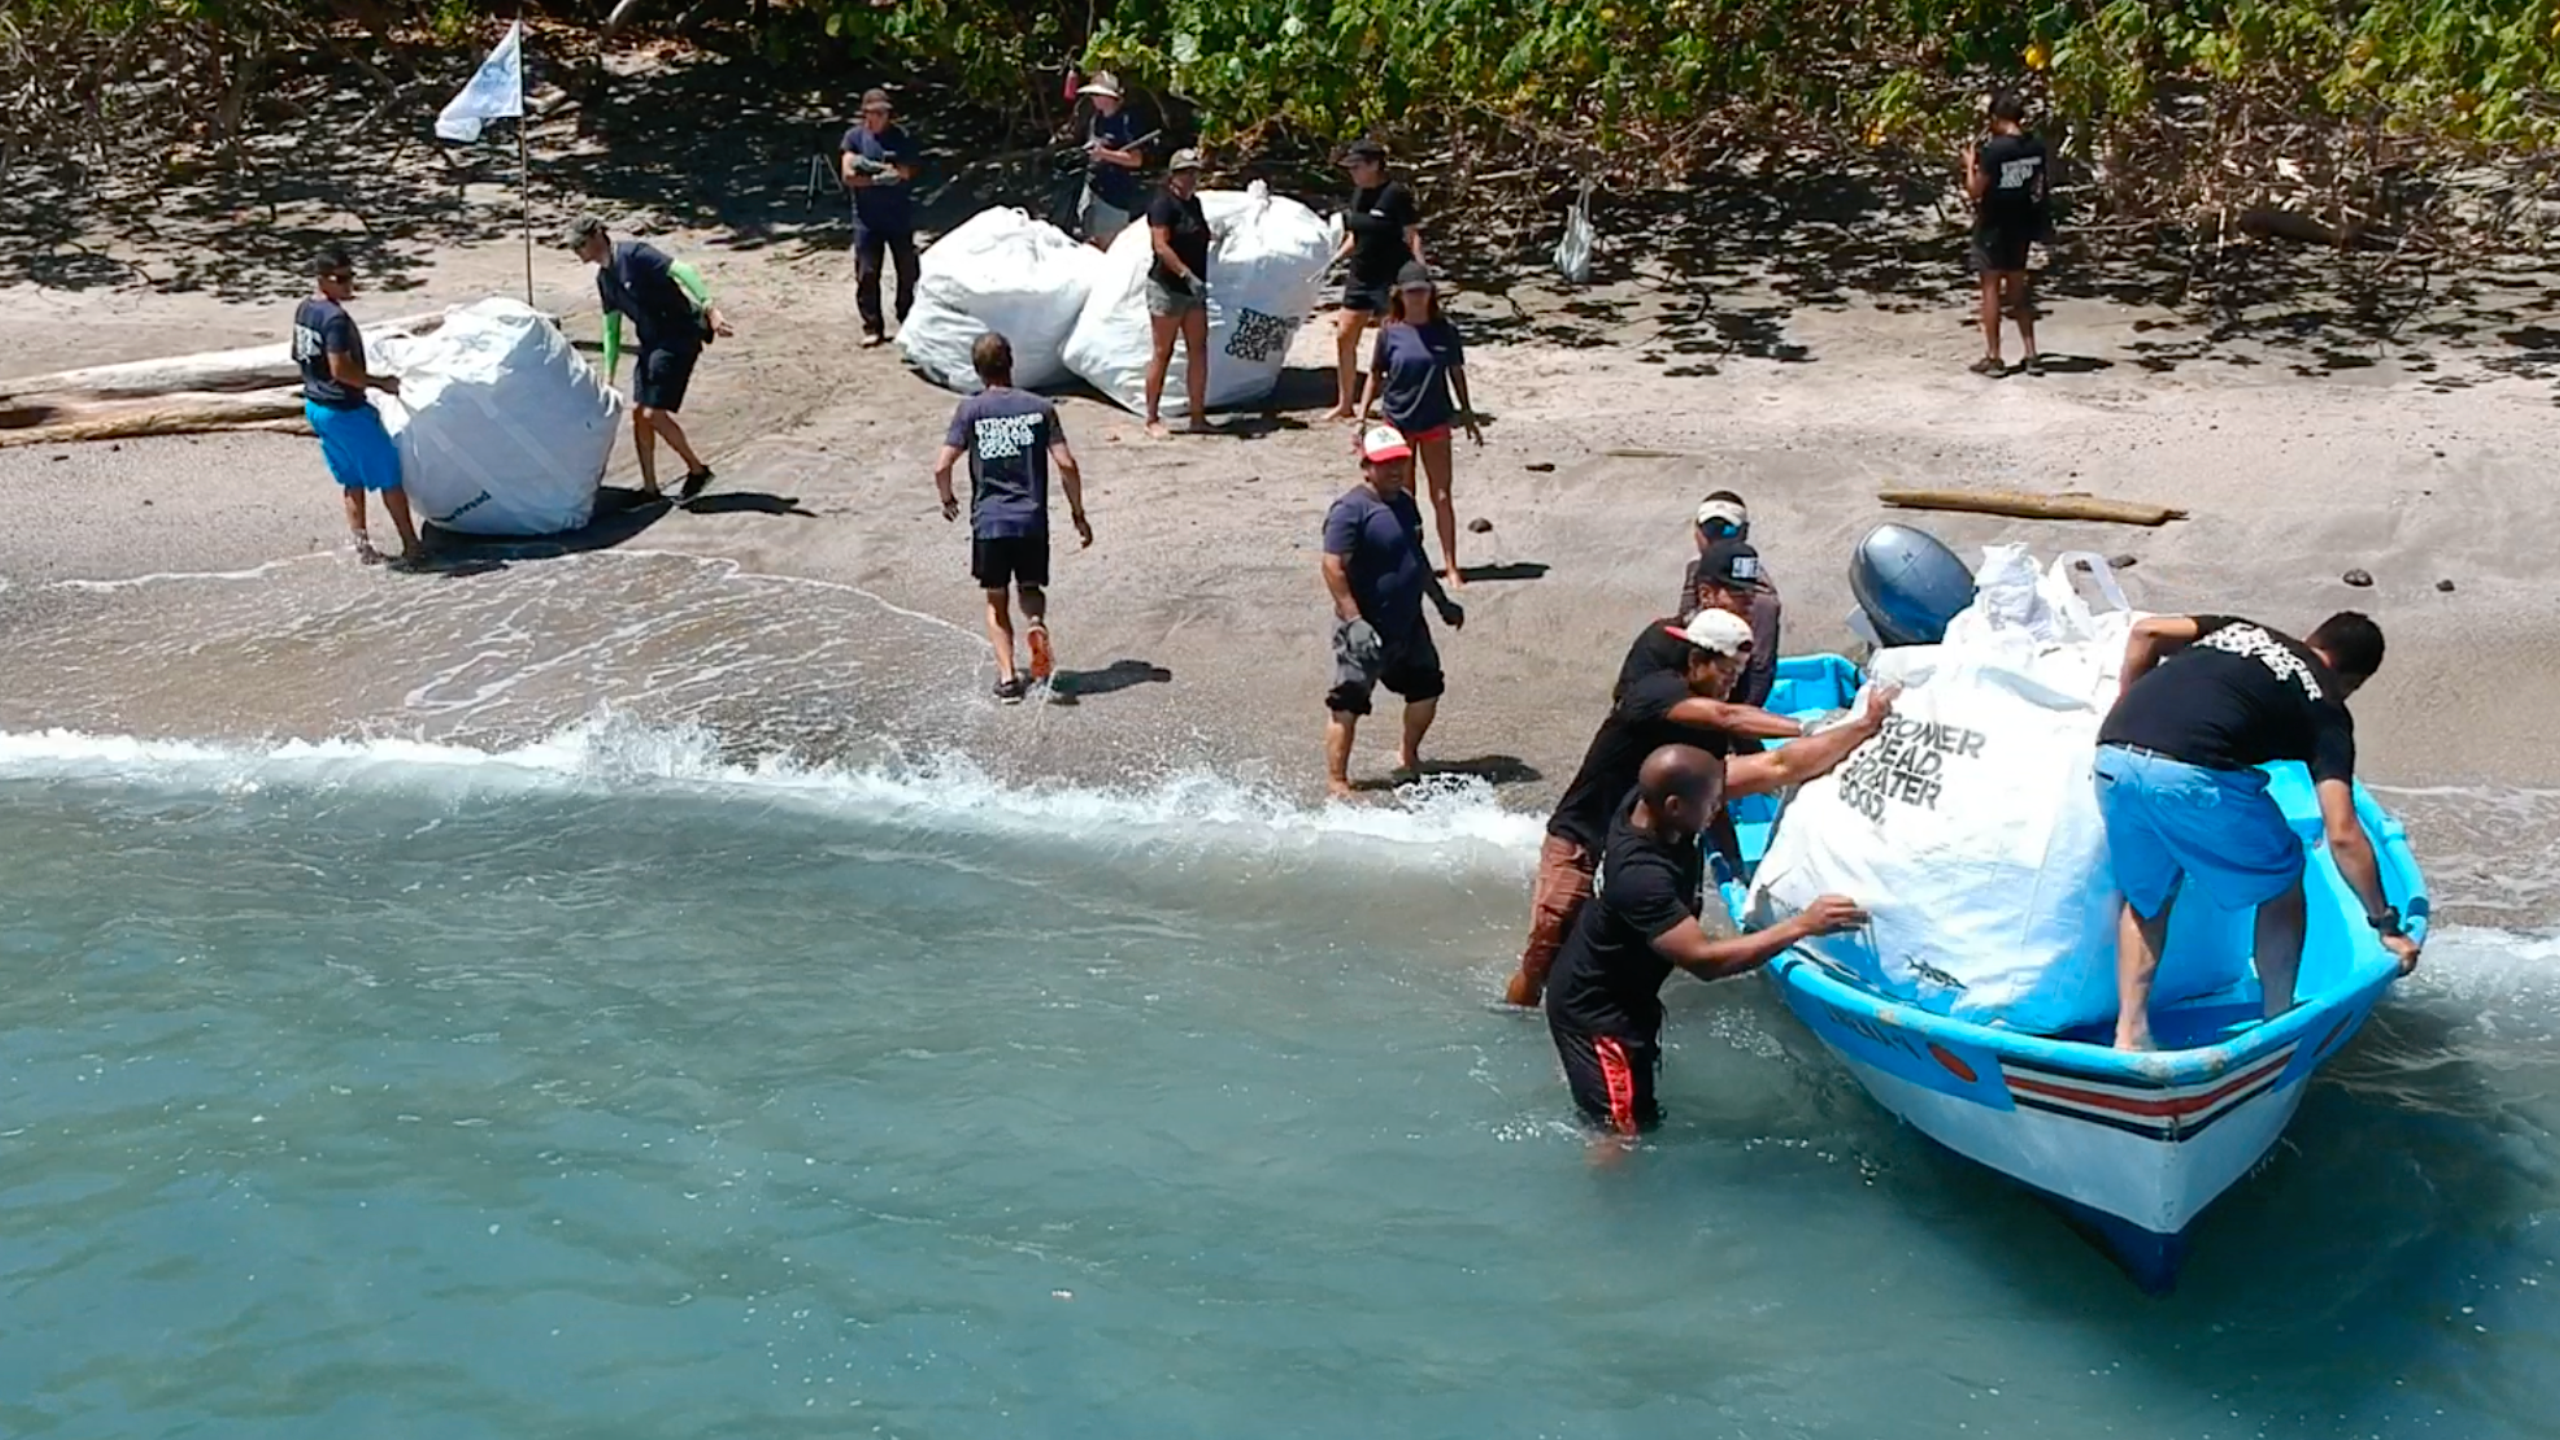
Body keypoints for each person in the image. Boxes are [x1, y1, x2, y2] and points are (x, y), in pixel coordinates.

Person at [1505, 610, 1894, 1008]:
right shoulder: (1652, 693)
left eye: (1740, 673)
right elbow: (1729, 717)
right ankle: (1517, 1021)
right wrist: (1816, 725)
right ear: (1695, 661)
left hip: (1643, 852)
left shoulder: (1706, 737)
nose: (1733, 683)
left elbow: (1734, 791)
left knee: (1627, 958)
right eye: (1726, 672)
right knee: (1544, 958)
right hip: (1582, 843)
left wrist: (1737, 869)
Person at [2096, 612, 2420, 1051]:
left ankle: (2130, 1034)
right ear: (2353, 681)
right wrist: (2384, 922)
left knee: (2146, 899)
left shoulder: (2240, 630)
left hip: (2113, 754)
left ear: (2310, 637)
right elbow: (2342, 832)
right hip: (2193, 774)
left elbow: (2146, 631)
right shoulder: (2325, 703)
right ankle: (2278, 1025)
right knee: (2283, 880)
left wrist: (2127, 703)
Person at [1544, 743, 1871, 1134]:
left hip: (1624, 995)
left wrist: (1865, 724)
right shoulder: (1642, 877)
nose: (1721, 808)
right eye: (1713, 803)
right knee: (1619, 1134)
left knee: (1641, 1115)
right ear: (1675, 806)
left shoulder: (1654, 803)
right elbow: (1706, 962)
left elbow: (1775, 765)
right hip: (1597, 1017)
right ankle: (1611, 1192)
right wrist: (1802, 925)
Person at [933, 332, 1094, 704]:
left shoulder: (970, 410)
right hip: (1031, 520)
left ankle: (1008, 679)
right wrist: (1078, 514)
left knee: (995, 598)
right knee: (1030, 587)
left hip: (989, 522)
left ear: (978, 370)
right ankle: (1036, 626)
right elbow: (1067, 464)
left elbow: (941, 466)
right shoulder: (1040, 408)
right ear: (1011, 363)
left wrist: (947, 498)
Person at [1323, 425, 1465, 797]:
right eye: (1386, 464)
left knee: (1427, 690)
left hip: (1408, 625)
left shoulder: (1404, 501)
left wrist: (1441, 602)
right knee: (1348, 702)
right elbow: (1332, 566)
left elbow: (1415, 558)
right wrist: (1354, 620)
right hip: (1365, 625)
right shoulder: (1350, 510)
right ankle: (1337, 779)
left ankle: (1408, 755)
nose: (1395, 469)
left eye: (1400, 461)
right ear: (1366, 465)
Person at [566, 216, 733, 503]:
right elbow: (611, 327)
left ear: (596, 237)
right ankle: (650, 489)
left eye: (580, 244)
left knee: (652, 413)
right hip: (652, 342)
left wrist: (710, 308)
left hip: (679, 336)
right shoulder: (604, 279)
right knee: (639, 416)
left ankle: (698, 471)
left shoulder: (635, 254)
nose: (577, 251)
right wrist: (609, 375)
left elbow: (682, 270)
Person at [290, 245, 423, 567]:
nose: (349, 285)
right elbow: (341, 370)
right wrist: (381, 383)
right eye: (342, 279)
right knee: (389, 477)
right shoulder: (334, 318)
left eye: (352, 277)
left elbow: (299, 354)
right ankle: (412, 546)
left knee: (352, 478)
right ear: (322, 279)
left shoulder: (305, 308)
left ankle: (362, 545)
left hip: (316, 407)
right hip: (345, 411)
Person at [1356, 261, 1477, 587]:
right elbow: (1375, 374)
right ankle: (1410, 562)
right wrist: (1362, 417)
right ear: (1400, 294)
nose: (1417, 298)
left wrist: (1467, 413)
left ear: (1430, 293)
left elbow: (1456, 373)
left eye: (1422, 291)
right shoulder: (1389, 331)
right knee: (1402, 495)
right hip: (1397, 421)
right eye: (1411, 292)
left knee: (1441, 495)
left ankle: (1451, 566)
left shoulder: (1445, 330)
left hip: (1436, 419)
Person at [1324, 138, 1424, 422]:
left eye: (1357, 167)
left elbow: (1412, 235)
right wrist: (1335, 259)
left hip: (1389, 278)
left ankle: (1397, 400)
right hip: (1360, 275)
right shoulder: (1359, 194)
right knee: (1344, 336)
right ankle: (1345, 404)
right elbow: (1357, 234)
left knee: (1392, 340)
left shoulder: (1396, 194)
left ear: (1375, 165)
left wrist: (1420, 274)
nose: (1352, 173)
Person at [1963, 91, 2049, 376]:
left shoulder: (1994, 150)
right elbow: (2037, 184)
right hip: (2021, 222)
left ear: (1997, 119)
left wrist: (1969, 165)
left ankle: (1994, 356)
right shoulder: (2036, 146)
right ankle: (2031, 353)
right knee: (2018, 289)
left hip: (1993, 224)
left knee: (1990, 290)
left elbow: (1976, 191)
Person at [1673, 497, 1784, 707]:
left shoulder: (1761, 601)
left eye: (1727, 530)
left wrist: (1735, 723)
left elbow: (1759, 672)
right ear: (1696, 531)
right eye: (1711, 529)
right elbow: (1683, 623)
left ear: (1744, 532)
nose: (1718, 538)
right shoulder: (1695, 569)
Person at [1141, 148, 1213, 438]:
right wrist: (1185, 274)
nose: (1191, 177)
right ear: (1173, 175)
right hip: (1168, 287)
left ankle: (1198, 416)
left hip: (1195, 288)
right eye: (1185, 172)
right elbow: (1161, 245)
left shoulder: (1193, 203)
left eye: (1194, 171)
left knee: (1199, 349)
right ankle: (1152, 418)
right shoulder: (1163, 205)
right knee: (1163, 351)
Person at [842, 88, 922, 345]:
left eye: (883, 112)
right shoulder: (854, 137)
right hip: (867, 220)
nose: (879, 117)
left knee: (907, 271)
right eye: (874, 112)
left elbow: (907, 171)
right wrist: (876, 177)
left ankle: (907, 318)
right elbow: (848, 174)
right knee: (867, 273)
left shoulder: (900, 137)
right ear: (865, 113)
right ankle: (872, 326)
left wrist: (894, 172)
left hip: (899, 217)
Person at [1075, 72, 1150, 249]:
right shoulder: (1097, 119)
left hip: (1115, 195)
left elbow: (1136, 160)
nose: (1093, 99)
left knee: (1110, 243)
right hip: (1093, 188)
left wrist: (1105, 154)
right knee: (1088, 238)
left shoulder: (1127, 121)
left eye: (1096, 95)